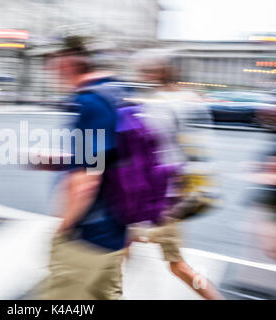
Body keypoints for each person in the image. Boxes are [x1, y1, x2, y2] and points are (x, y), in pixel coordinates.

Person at [35, 36, 129, 300]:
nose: (52, 71)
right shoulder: (117, 93)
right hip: (116, 231)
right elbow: (106, 157)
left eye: (54, 63)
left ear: (66, 64)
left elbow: (89, 177)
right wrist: (62, 162)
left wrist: (63, 228)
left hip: (87, 235)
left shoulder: (90, 104)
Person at [128, 48, 225, 300]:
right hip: (166, 192)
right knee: (129, 246)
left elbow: (167, 151)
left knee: (175, 264)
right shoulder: (184, 99)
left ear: (165, 71)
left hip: (164, 195)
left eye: (149, 69)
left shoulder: (164, 104)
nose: (144, 74)